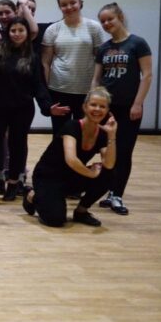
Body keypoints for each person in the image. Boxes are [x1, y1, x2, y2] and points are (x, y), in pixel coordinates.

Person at [0, 17, 55, 202]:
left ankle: (13, 184)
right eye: (13, 30)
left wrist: (48, 107)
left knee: (18, 146)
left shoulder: (33, 57)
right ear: (8, 33)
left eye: (21, 30)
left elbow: (39, 85)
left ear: (27, 33)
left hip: (22, 109)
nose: (17, 34)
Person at [23, 88, 117, 228]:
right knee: (56, 220)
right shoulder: (72, 126)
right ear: (85, 107)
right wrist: (91, 173)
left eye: (102, 106)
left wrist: (111, 135)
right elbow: (71, 159)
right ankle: (33, 196)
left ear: (107, 110)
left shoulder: (102, 134)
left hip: (72, 176)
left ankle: (81, 211)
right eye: (93, 105)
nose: (97, 109)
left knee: (109, 173)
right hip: (48, 176)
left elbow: (109, 164)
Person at [92, 3, 151, 215]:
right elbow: (97, 78)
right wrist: (92, 102)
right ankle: (106, 189)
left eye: (110, 19)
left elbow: (147, 75)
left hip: (128, 108)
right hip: (106, 108)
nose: (106, 23)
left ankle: (116, 195)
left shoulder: (137, 43)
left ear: (120, 18)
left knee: (124, 151)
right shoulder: (104, 48)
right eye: (103, 21)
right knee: (107, 150)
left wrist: (138, 103)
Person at [41, 0, 105, 133]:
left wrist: (97, 88)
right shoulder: (52, 30)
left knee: (83, 134)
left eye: (73, 3)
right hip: (58, 90)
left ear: (80, 3)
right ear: (59, 7)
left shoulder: (94, 27)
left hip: (86, 91)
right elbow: (45, 63)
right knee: (60, 134)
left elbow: (100, 61)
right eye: (64, 5)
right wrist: (46, 91)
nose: (69, 7)